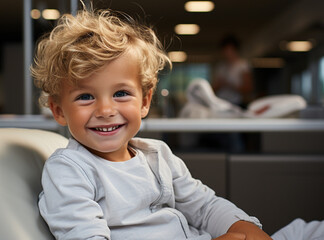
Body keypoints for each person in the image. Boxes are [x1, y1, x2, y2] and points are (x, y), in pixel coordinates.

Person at [32, 8, 323, 240]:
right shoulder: (70, 170)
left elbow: (205, 207)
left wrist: (244, 227)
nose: (106, 110)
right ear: (59, 111)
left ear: (145, 101)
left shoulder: (158, 155)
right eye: (85, 97)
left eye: (121, 93)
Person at [212, 35, 253, 108]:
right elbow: (214, 88)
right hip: (221, 102)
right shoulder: (221, 67)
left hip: (236, 103)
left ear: (235, 50)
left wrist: (230, 85)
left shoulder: (243, 65)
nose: (227, 53)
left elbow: (248, 88)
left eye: (229, 50)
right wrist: (219, 85)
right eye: (224, 50)